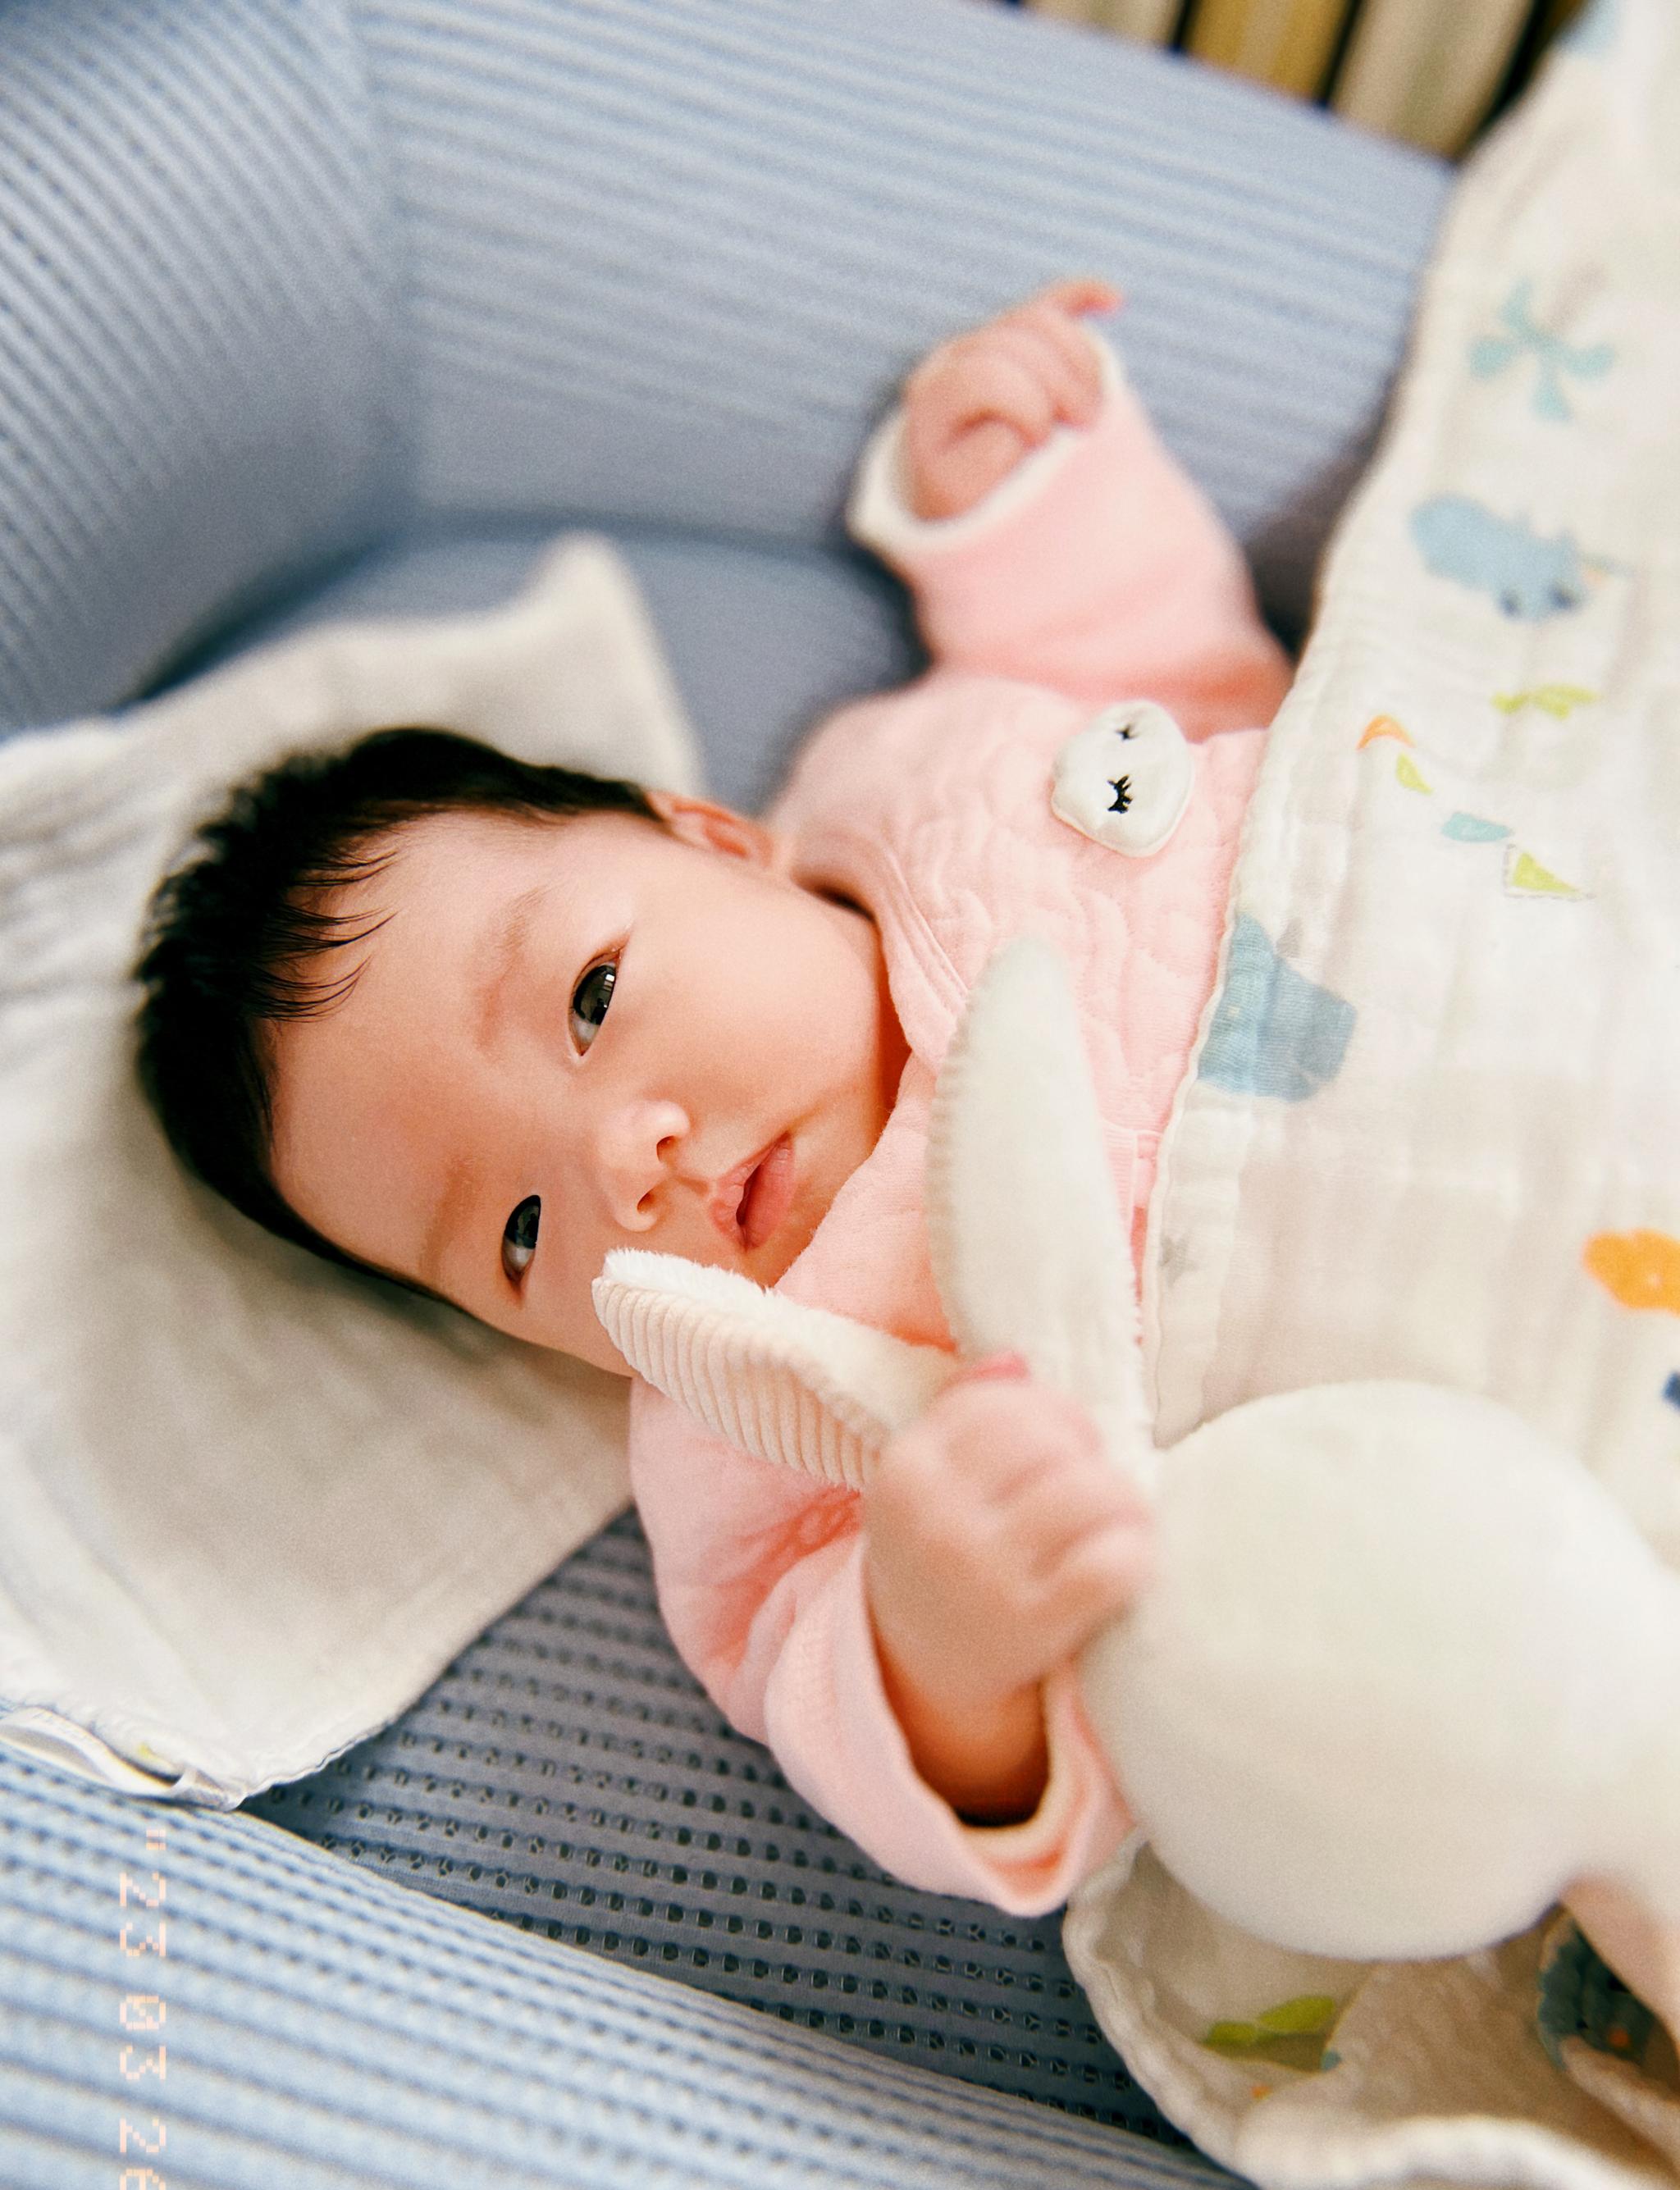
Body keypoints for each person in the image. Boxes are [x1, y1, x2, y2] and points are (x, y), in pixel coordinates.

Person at [133, 279, 1679, 2037]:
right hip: (1524, 1416)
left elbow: (1168, 670)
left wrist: (1018, 489)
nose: (622, 1155)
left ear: (715, 836)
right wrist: (945, 1646)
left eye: (590, 996)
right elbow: (833, 1688)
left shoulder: (913, 777)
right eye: (515, 1231)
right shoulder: (748, 1425)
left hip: (1547, 960)